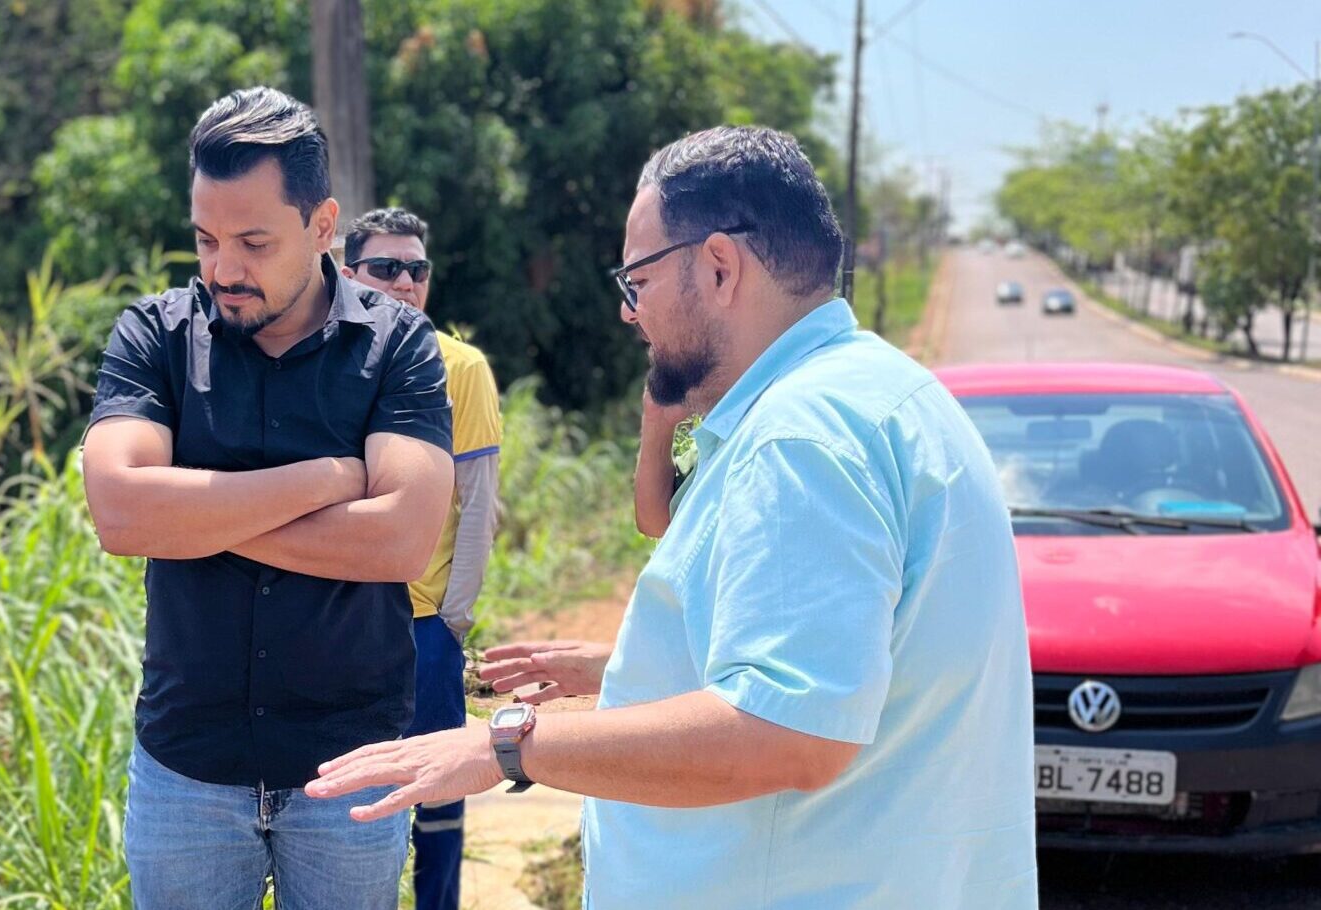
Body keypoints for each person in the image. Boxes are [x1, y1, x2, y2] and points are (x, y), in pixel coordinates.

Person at [306, 125, 1038, 908]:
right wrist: (636, 669)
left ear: (720, 266)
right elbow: (848, 666)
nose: (630, 314)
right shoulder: (891, 394)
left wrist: (507, 745)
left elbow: (789, 734)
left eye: (639, 281)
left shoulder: (798, 439)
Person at [81, 87, 456, 910]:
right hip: (187, 770)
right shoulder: (155, 336)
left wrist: (192, 518)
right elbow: (120, 513)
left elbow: (402, 541)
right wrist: (328, 478)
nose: (223, 268)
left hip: (350, 768)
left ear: (323, 227)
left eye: (253, 242)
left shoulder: (398, 346)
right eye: (206, 239)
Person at [341, 207, 501, 910]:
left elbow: (479, 505)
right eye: (386, 268)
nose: (404, 282)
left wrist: (451, 622)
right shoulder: (320, 364)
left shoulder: (460, 367)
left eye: (417, 269)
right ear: (348, 274)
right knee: (343, 800)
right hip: (333, 623)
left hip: (422, 626)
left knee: (436, 803)